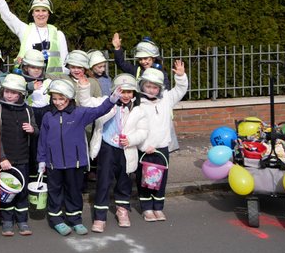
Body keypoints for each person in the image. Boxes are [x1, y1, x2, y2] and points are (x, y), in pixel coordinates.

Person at [37, 79, 119, 236]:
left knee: (74, 192)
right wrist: (41, 160)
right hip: (53, 164)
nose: (58, 102)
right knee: (55, 192)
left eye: (61, 99)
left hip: (75, 163)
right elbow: (43, 140)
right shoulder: (48, 116)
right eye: (54, 99)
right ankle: (56, 220)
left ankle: (75, 220)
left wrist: (112, 99)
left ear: (69, 98)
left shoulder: (80, 113)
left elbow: (99, 110)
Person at [81, 74, 148, 232]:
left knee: (124, 180)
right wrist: (84, 87)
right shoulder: (106, 101)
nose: (125, 95)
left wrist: (131, 139)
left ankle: (122, 210)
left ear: (134, 93)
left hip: (127, 149)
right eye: (122, 91)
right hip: (107, 147)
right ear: (114, 91)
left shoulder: (139, 110)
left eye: (129, 92)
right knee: (103, 181)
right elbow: (86, 102)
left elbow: (143, 131)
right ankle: (100, 216)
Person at [131, 61, 188, 222]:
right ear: (142, 86)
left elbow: (180, 89)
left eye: (155, 87)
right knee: (144, 180)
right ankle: (147, 208)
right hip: (145, 149)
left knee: (160, 179)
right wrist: (143, 146)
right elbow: (133, 127)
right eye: (148, 86)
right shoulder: (137, 103)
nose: (151, 90)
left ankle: (158, 207)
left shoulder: (166, 99)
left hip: (161, 148)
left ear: (160, 88)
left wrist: (181, 76)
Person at [0, 0, 68, 76]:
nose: (40, 14)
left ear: (49, 13)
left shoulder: (58, 34)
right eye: (37, 10)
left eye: (44, 10)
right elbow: (7, 16)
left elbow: (64, 61)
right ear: (32, 13)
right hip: (28, 79)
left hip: (53, 80)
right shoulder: (25, 30)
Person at [111, 34, 179, 151]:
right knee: (142, 136)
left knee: (159, 140)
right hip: (142, 109)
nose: (143, 61)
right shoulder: (137, 70)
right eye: (141, 59)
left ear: (153, 58)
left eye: (146, 58)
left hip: (157, 112)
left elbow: (165, 93)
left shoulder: (161, 72)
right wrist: (117, 49)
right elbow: (121, 63)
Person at [0, 74, 37, 236]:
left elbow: (36, 129)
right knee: (6, 191)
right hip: (5, 160)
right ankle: (7, 222)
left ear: (21, 94)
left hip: (23, 158)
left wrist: (32, 130)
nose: (9, 95)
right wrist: (2, 158)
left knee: (22, 191)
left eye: (14, 92)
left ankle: (22, 221)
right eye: (7, 91)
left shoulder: (28, 110)